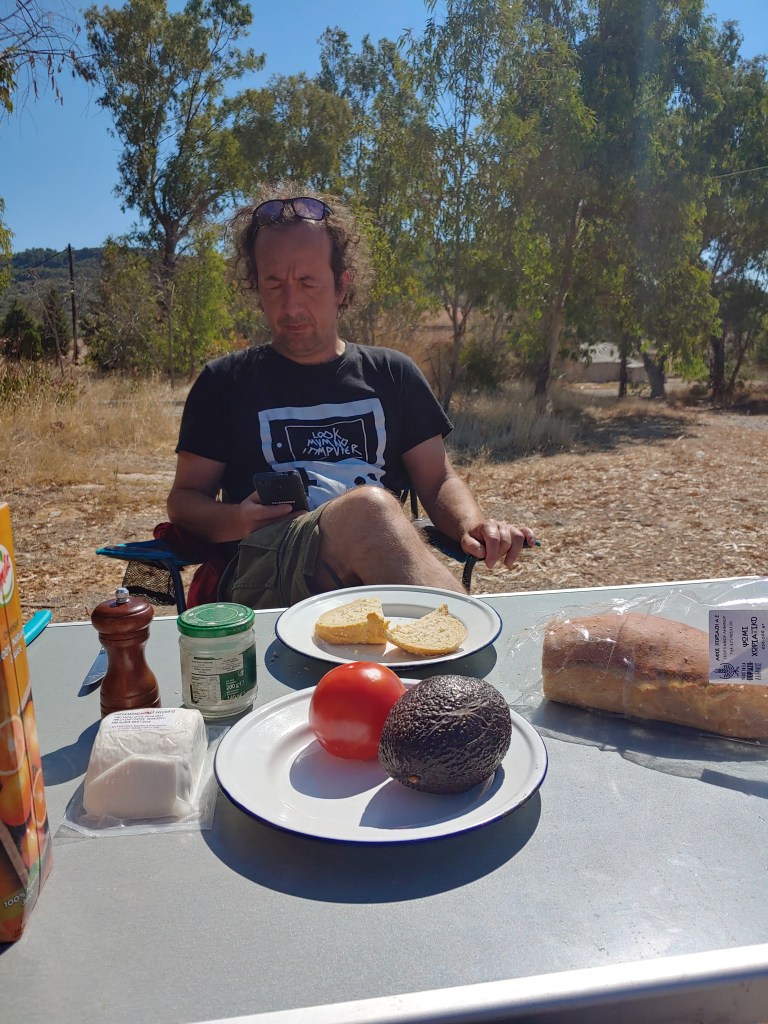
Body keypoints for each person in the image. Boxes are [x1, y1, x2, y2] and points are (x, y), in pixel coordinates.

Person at [167, 185, 536, 609]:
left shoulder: (393, 374)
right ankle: (463, 640)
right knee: (370, 509)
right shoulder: (225, 382)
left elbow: (438, 480)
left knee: (372, 513)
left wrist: (472, 525)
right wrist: (237, 519)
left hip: (376, 566)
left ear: (342, 286)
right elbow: (184, 502)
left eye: (308, 282)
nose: (291, 305)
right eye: (273, 284)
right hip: (266, 574)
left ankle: (446, 639)